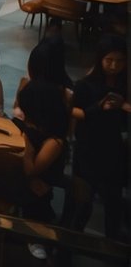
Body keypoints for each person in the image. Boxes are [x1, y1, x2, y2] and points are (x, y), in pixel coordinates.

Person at [10, 79, 89, 258]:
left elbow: (30, 170)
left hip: (37, 191)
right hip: (31, 183)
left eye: (26, 109)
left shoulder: (54, 142)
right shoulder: (38, 127)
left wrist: (28, 146)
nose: (24, 113)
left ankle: (35, 240)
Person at [70, 36, 129, 240]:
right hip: (88, 149)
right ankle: (70, 246)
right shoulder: (86, 85)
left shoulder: (125, 87)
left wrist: (123, 105)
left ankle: (112, 248)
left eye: (120, 61)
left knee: (113, 205)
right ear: (100, 59)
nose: (114, 66)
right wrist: (97, 108)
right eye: (109, 60)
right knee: (81, 205)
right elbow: (75, 111)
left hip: (114, 151)